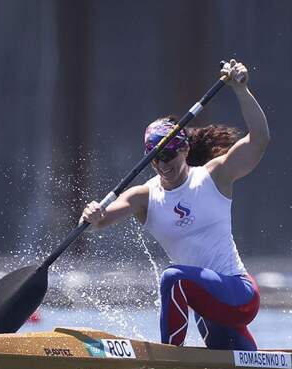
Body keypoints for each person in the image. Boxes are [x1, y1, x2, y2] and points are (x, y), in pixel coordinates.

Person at [81, 59, 270, 350]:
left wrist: (241, 90)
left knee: (173, 277)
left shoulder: (214, 175)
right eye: (155, 156)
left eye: (169, 153)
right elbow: (100, 221)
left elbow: (259, 139)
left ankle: (168, 357)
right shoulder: (143, 196)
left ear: (184, 148)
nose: (163, 163)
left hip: (239, 294)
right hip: (207, 308)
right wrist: (92, 214)